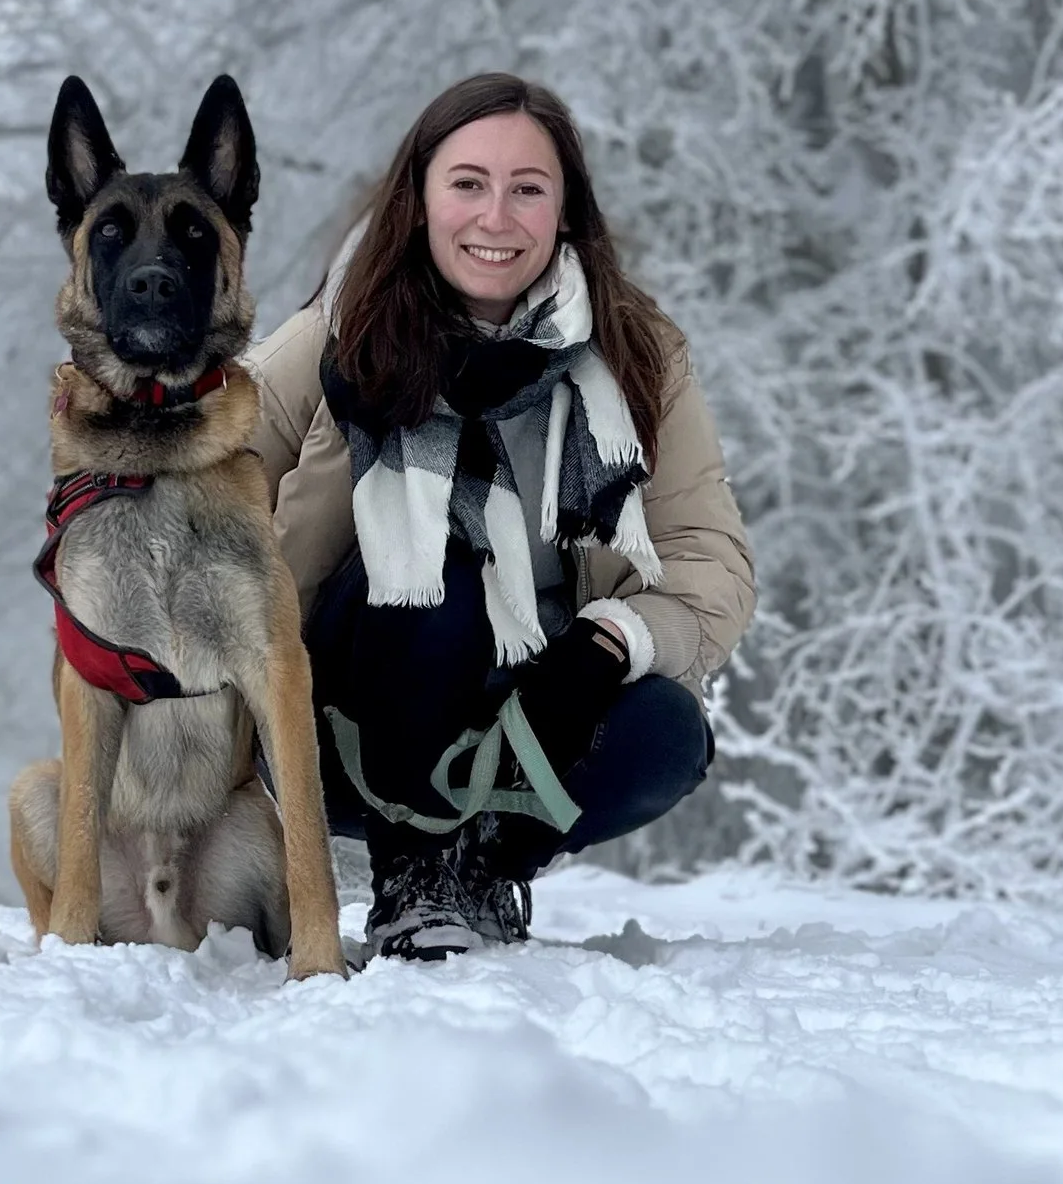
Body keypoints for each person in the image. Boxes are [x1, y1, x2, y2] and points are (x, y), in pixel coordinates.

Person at [249, 73, 755, 958]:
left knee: (665, 734)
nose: (496, 217)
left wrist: (609, 644)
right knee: (442, 566)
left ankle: (480, 867)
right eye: (468, 183)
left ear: (566, 210)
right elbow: (205, 473)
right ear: (418, 199)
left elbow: (709, 557)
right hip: (347, 716)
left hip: (537, 708)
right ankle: (412, 867)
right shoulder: (343, 327)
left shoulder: (638, 352)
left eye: (527, 189)